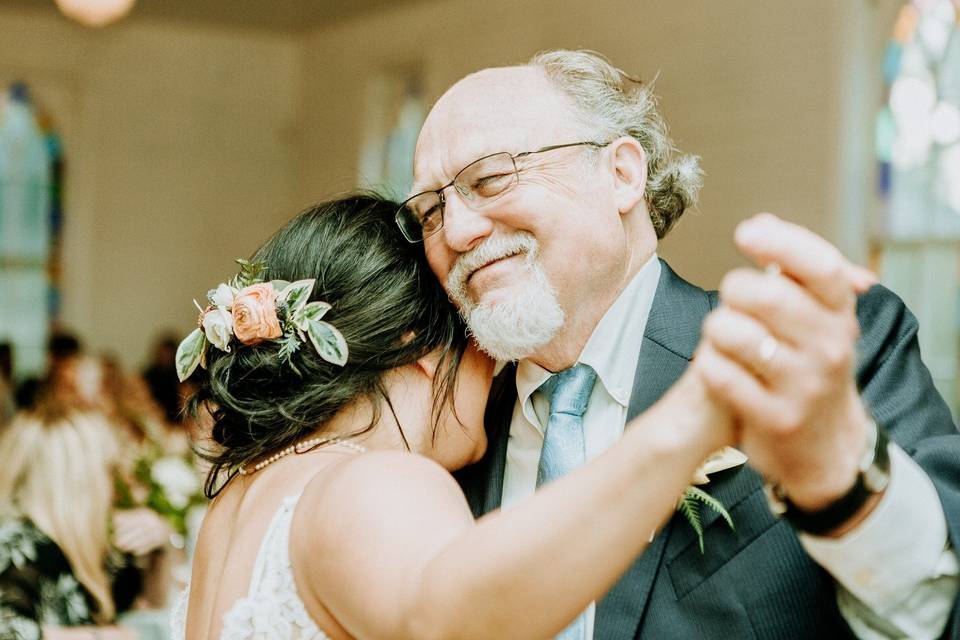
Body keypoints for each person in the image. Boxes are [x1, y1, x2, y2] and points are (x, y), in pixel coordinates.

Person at [403, 49, 960, 638]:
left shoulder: (809, 355)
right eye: (431, 212)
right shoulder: (453, 443)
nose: (458, 233)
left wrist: (843, 482)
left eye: (490, 180)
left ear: (621, 174)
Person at [176, 194, 737, 639]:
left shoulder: (242, 501)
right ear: (417, 345)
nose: (498, 366)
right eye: (481, 338)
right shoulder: (374, 479)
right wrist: (683, 427)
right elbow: (456, 624)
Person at [0, 409, 137, 640]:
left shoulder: (68, 547)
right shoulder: (20, 545)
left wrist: (163, 541)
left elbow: (144, 604)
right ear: (79, 481)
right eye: (110, 470)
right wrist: (97, 637)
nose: (117, 485)